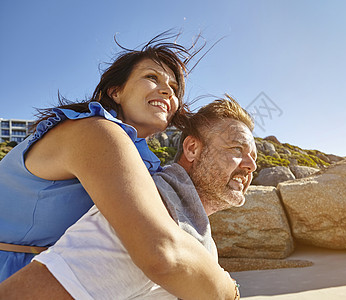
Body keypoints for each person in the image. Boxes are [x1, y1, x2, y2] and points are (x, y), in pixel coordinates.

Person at [0, 33, 238, 299]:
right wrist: (230, 291)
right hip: (22, 278)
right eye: (151, 77)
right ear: (116, 91)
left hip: (66, 278)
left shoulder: (140, 158)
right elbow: (161, 252)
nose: (166, 91)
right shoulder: (95, 132)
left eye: (173, 88)